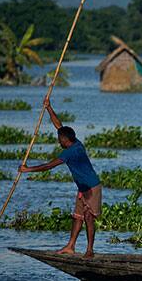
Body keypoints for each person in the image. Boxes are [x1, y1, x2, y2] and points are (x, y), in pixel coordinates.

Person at [19, 97, 102, 258]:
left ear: (65, 141)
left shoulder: (70, 152)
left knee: (88, 218)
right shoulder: (75, 142)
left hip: (92, 188)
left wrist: (27, 169)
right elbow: (59, 126)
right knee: (77, 217)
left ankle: (90, 250)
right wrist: (49, 108)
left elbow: (49, 166)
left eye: (59, 140)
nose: (58, 142)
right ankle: (70, 246)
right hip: (82, 188)